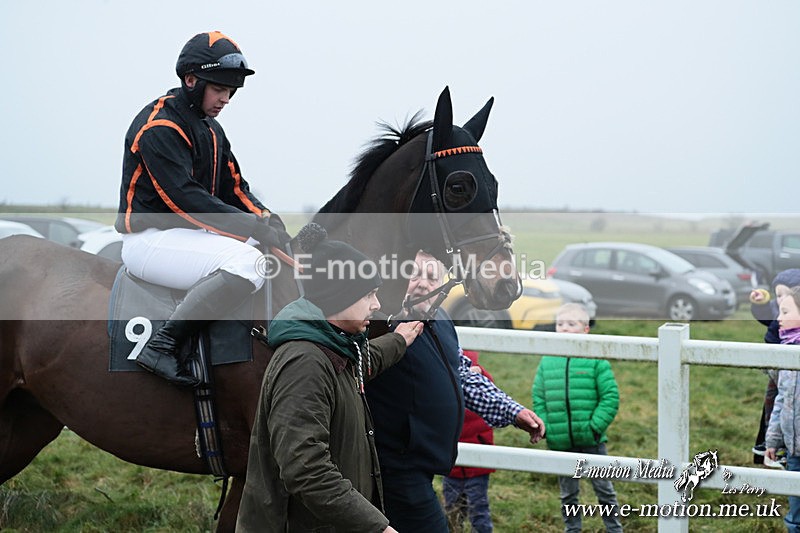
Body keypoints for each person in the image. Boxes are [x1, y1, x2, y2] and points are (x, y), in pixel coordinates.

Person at [115, 31, 290, 387]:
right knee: (249, 262)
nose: (225, 99)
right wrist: (252, 227)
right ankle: (162, 346)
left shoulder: (211, 129)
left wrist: (267, 220)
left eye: (231, 91)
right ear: (191, 80)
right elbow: (184, 199)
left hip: (188, 236)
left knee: (265, 248)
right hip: (149, 241)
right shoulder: (160, 126)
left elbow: (235, 188)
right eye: (219, 89)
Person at [236, 224, 424, 532]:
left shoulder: (336, 348)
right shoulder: (304, 365)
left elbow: (363, 362)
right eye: (369, 294)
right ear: (339, 296)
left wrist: (399, 340)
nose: (377, 305)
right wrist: (376, 527)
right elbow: (306, 469)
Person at [366, 250, 546, 533]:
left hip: (424, 462)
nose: (423, 284)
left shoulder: (441, 320)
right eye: (414, 274)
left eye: (431, 276)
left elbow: (462, 375)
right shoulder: (379, 325)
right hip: (395, 465)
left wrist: (513, 411)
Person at [532, 303, 622, 533]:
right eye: (560, 324)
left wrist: (595, 427)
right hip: (560, 440)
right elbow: (539, 396)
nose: (564, 328)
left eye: (571, 324)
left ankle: (614, 529)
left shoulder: (595, 359)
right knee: (568, 494)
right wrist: (547, 426)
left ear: (585, 329)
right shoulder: (548, 360)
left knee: (604, 490)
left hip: (592, 440)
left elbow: (610, 396)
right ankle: (572, 530)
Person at [442, 349, 496, 533]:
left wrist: (481, 374)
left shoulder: (479, 378)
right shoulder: (444, 380)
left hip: (477, 462)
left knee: (478, 508)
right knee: (452, 509)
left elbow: (493, 395)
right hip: (451, 463)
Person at [750, 269, 800, 466]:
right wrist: (760, 303)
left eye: (786, 294)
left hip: (787, 369)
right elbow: (765, 315)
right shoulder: (781, 314)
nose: (781, 300)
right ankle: (771, 443)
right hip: (778, 369)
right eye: (778, 295)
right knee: (775, 404)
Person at [765, 285, 800, 532]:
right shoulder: (784, 353)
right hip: (794, 450)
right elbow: (782, 399)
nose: (779, 318)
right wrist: (773, 440)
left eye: (785, 312)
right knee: (795, 515)